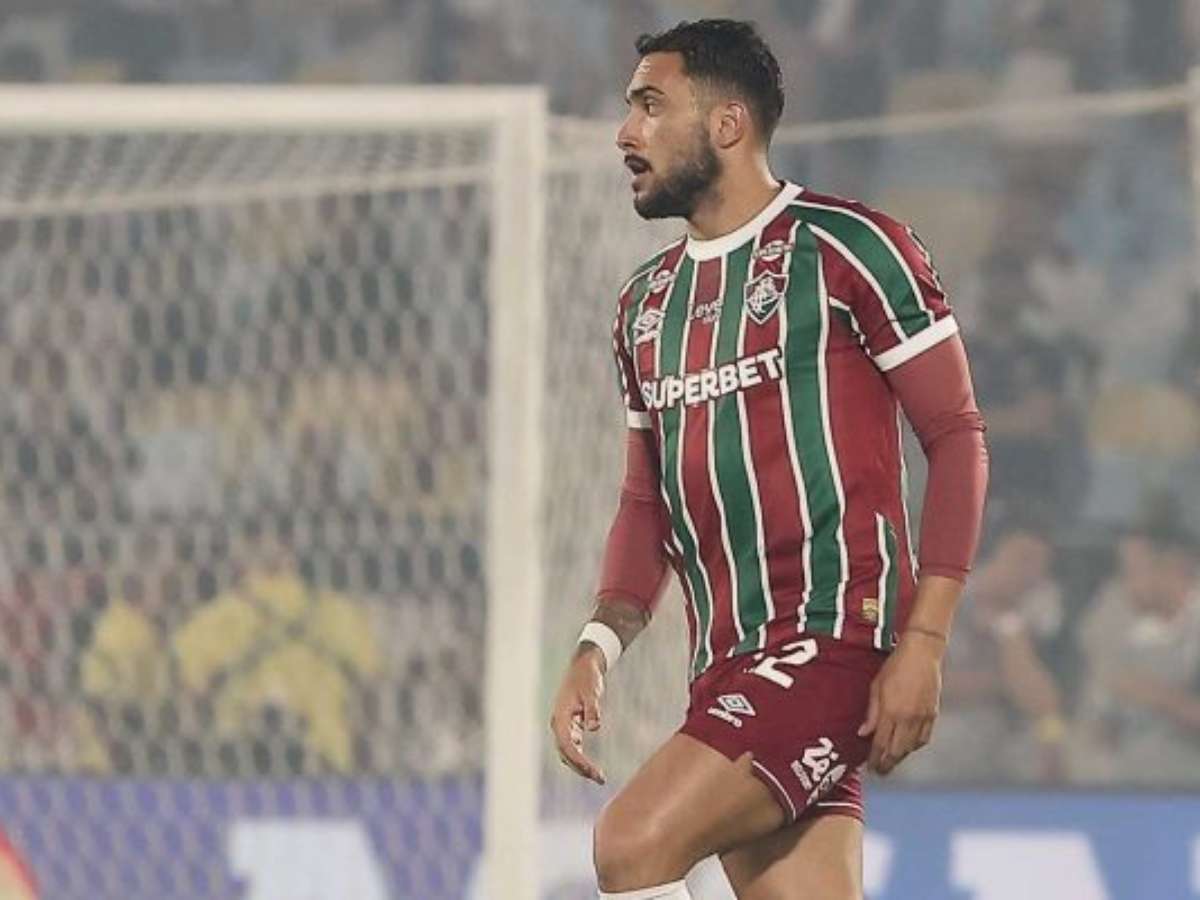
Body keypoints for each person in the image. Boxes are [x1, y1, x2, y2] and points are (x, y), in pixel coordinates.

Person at [548, 19, 989, 899]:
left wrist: (926, 641)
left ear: (727, 124)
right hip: (725, 661)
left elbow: (956, 438)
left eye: (650, 105)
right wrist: (596, 647)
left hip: (834, 637)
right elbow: (645, 502)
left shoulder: (852, 249)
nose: (626, 132)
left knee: (630, 847)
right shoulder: (644, 306)